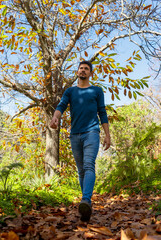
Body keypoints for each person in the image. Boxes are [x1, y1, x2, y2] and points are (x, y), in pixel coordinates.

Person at [50, 61, 111, 222]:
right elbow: (61, 106)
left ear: (91, 73)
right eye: (81, 68)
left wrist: (107, 135)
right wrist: (55, 117)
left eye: (86, 69)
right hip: (75, 135)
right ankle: (85, 208)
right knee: (81, 170)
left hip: (92, 132)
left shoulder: (96, 90)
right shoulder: (70, 91)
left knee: (89, 164)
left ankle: (86, 200)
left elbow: (102, 112)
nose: (83, 70)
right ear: (77, 72)